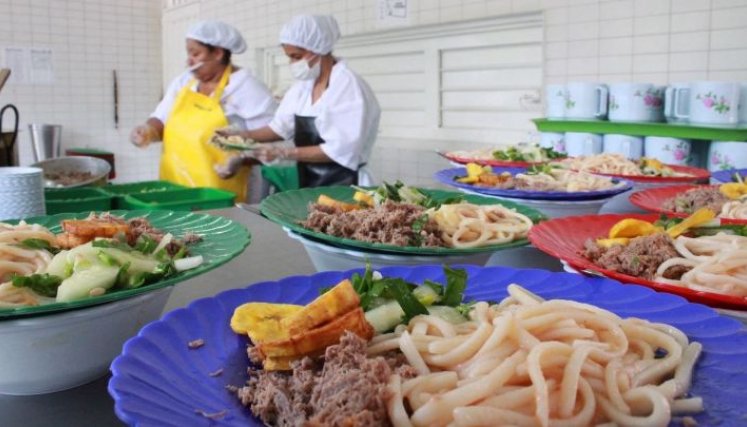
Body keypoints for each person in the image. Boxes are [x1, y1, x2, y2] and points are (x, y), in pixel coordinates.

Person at [216, 14, 381, 188]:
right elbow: (279, 128)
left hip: (348, 184)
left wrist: (282, 152)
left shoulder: (347, 87)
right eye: (290, 57)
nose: (292, 63)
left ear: (320, 49)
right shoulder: (303, 87)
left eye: (296, 56)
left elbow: (340, 150)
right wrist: (240, 136)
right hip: (310, 181)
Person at [130, 20, 276, 201]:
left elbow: (272, 141)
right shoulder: (184, 82)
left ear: (217, 53)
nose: (189, 61)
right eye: (188, 53)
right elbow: (161, 118)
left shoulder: (248, 88)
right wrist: (147, 130)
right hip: (174, 188)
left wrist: (241, 159)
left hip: (224, 194)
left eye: (196, 54)